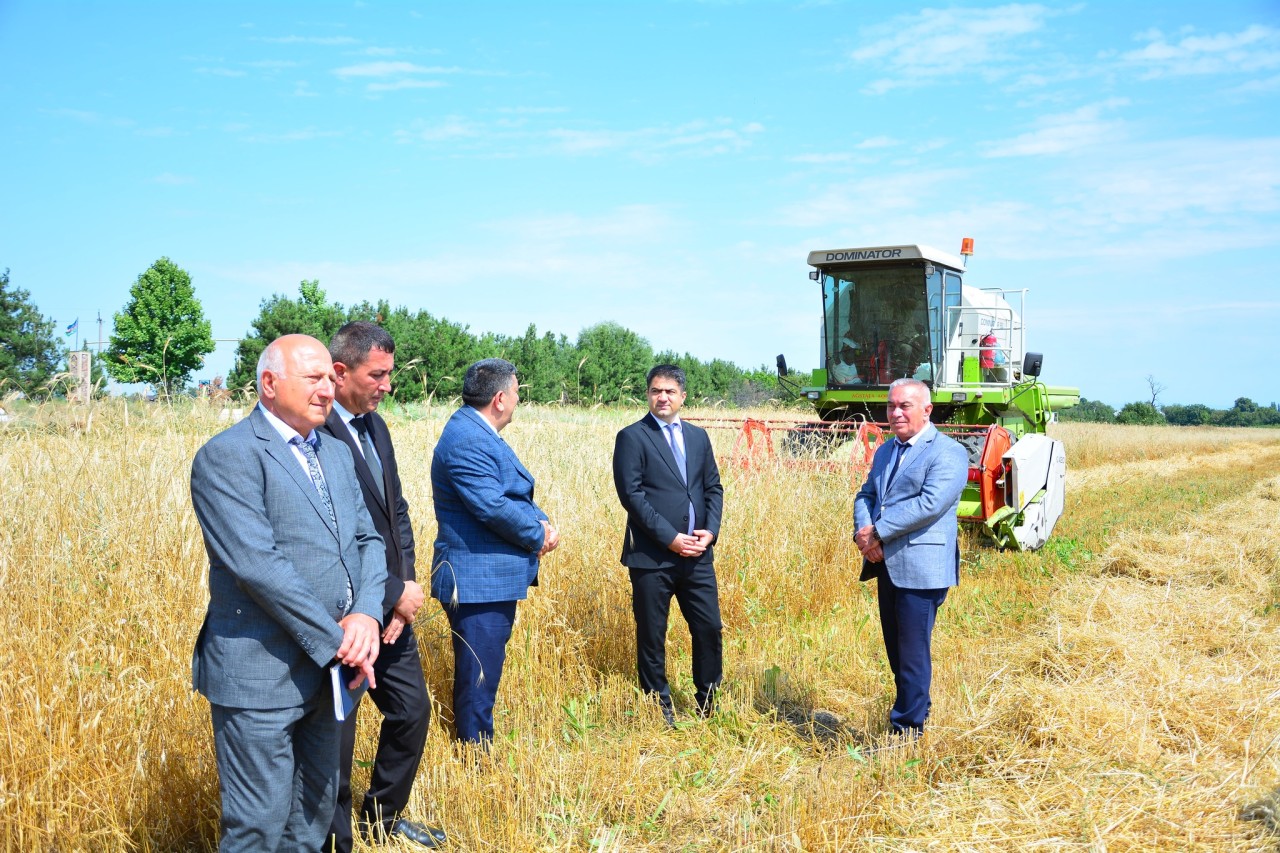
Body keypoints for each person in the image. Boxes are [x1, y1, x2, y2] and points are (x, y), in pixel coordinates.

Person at [189, 334, 387, 852]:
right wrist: (340, 641)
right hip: (262, 677)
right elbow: (258, 566)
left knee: (312, 818)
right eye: (314, 378)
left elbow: (368, 539)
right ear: (270, 384)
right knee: (258, 824)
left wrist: (366, 615)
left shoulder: (337, 455)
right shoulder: (228, 457)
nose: (328, 389)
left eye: (330, 378)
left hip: (329, 678)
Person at [319, 322, 445, 851]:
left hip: (392, 613)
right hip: (344, 617)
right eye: (378, 374)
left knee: (412, 711)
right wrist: (389, 592)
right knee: (337, 741)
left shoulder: (377, 427)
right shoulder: (316, 434)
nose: (387, 385)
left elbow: (396, 514)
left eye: (390, 373)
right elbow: (335, 535)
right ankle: (335, 840)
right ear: (340, 371)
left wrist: (407, 591)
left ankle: (382, 819)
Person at [430, 358, 559, 744]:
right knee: (478, 679)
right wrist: (537, 535)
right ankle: (474, 758)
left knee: (483, 674)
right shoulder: (468, 439)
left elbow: (511, 494)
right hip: (476, 581)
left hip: (485, 578)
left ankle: (476, 748)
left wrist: (542, 523)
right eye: (518, 392)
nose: (519, 399)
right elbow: (491, 505)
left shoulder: (476, 431)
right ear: (500, 399)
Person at [853, 378, 968, 742]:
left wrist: (879, 532)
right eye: (891, 406)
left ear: (927, 410)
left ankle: (906, 729)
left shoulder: (948, 452)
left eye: (905, 406)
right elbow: (867, 493)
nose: (896, 412)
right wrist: (864, 530)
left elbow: (929, 505)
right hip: (886, 561)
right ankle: (917, 707)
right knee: (895, 647)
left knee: (912, 650)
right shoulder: (887, 450)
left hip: (921, 567)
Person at [612, 365, 724, 725]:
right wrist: (670, 539)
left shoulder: (698, 437)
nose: (662, 397)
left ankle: (708, 702)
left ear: (682, 397)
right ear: (647, 395)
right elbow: (632, 496)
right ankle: (658, 708)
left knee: (708, 628)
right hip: (652, 557)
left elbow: (712, 488)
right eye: (656, 391)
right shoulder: (632, 437)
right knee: (652, 635)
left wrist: (710, 530)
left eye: (670, 392)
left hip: (698, 554)